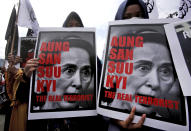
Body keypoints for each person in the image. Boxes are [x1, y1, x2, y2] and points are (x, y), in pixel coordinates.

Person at [41, 38, 94, 110]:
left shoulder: (92, 119)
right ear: (45, 74)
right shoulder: (27, 114)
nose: (78, 83)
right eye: (69, 71)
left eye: (85, 73)